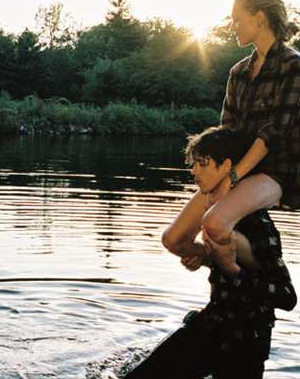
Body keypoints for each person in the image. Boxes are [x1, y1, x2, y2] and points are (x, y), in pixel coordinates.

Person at [124, 127, 296, 379]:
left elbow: (286, 296)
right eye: (193, 164)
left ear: (226, 166)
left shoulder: (256, 224)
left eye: (202, 164)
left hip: (245, 346)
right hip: (210, 328)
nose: (193, 171)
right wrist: (208, 259)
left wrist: (231, 269)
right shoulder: (218, 216)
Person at [162, 0, 300, 261]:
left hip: (277, 172)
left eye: (237, 19)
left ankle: (268, 275)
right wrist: (220, 175)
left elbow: (273, 133)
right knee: (173, 239)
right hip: (234, 170)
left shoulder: (293, 66)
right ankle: (217, 261)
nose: (232, 26)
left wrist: (231, 178)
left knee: (214, 224)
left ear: (259, 18)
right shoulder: (237, 72)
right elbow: (227, 133)